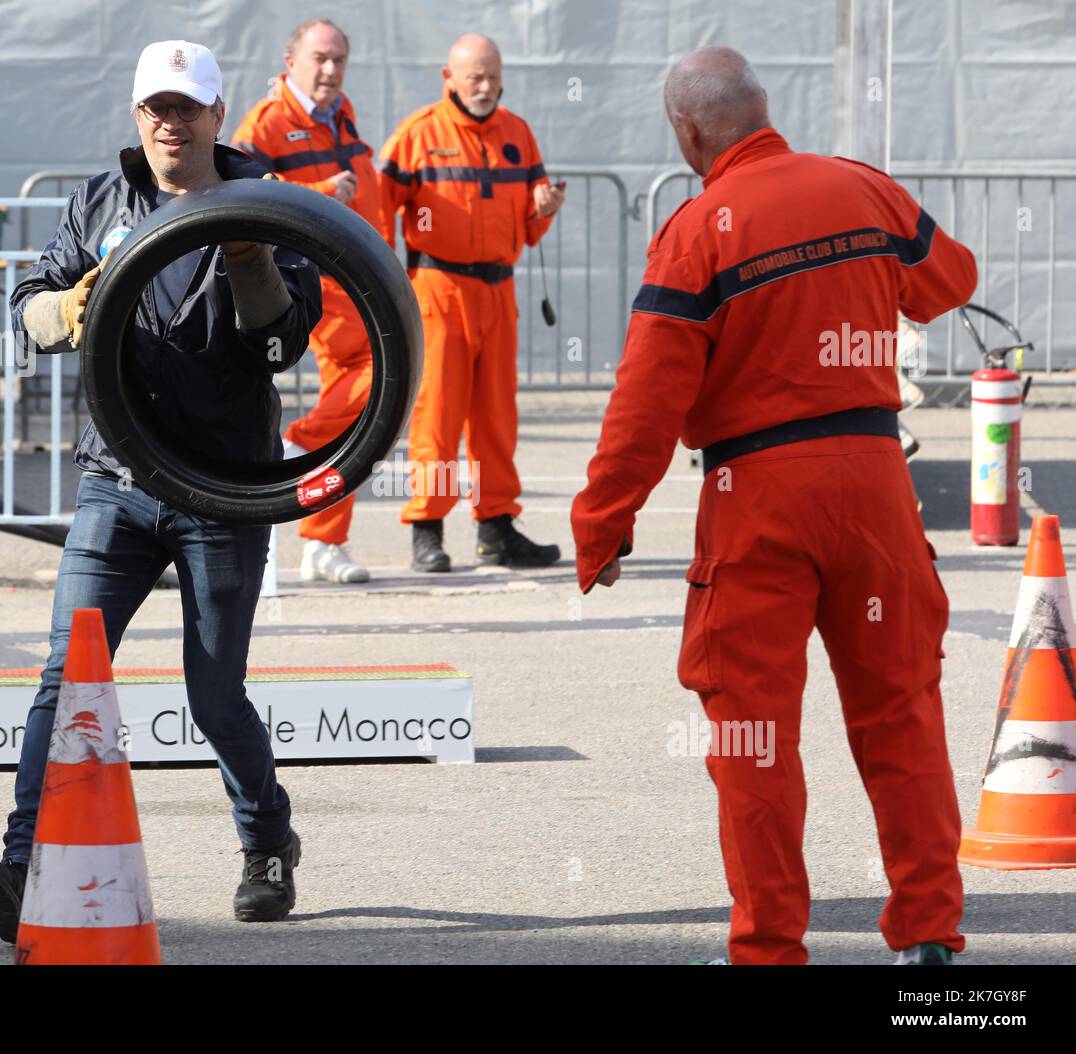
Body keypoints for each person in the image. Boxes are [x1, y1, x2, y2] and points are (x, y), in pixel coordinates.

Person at [571, 47, 977, 966]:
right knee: (902, 712)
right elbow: (950, 280)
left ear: (687, 131)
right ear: (764, 109)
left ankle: (768, 950)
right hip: (875, 481)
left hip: (754, 493)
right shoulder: (863, 189)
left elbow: (647, 400)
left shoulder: (694, 230)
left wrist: (603, 521)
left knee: (753, 734)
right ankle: (927, 938)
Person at [0, 40, 321, 942]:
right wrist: (63, 309)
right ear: (137, 117)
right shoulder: (98, 201)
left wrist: (248, 258)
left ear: (216, 116)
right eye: (157, 107)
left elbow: (284, 344)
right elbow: (29, 308)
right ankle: (20, 863)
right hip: (115, 481)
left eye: (188, 107)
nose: (172, 122)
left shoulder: (265, 204)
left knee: (214, 693)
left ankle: (269, 842)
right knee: (66, 673)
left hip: (222, 488)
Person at [378, 34, 565, 573]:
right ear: (449, 77)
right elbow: (377, 209)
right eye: (474, 77)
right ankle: (427, 530)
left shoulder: (518, 134)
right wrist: (385, 285)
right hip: (438, 291)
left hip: (499, 292)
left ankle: (497, 527)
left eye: (492, 76)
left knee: (496, 418)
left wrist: (546, 208)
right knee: (436, 414)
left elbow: (530, 231)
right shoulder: (418, 135)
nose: (484, 87)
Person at [232, 18, 381, 583]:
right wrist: (320, 194)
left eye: (339, 59)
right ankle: (301, 444)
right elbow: (244, 198)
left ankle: (323, 538)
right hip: (314, 284)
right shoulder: (267, 123)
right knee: (374, 385)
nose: (330, 69)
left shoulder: (339, 116)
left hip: (357, 283)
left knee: (364, 413)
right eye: (319, 58)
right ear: (289, 61)